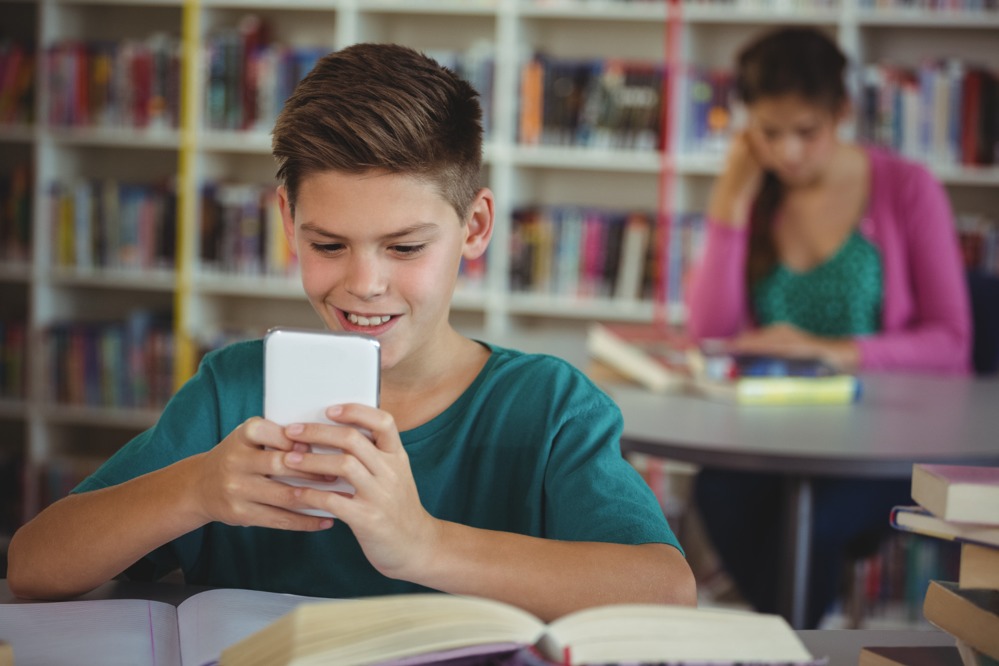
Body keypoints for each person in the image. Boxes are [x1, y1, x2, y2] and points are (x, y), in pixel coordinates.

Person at [8, 44, 696, 620]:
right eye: (329, 245)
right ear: (287, 220)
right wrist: (194, 491)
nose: (364, 283)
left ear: (476, 227)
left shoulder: (547, 407)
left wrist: (422, 544)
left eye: (403, 248)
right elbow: (34, 567)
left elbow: (664, 590)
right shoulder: (233, 391)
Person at [684, 27, 971, 627]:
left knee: (806, 521)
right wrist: (731, 202)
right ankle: (799, 634)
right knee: (716, 491)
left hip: (885, 440)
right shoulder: (758, 189)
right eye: (769, 132)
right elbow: (710, 332)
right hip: (773, 433)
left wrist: (831, 351)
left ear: (841, 113)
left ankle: (789, 634)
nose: (787, 152)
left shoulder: (905, 188)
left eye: (806, 131)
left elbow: (951, 342)